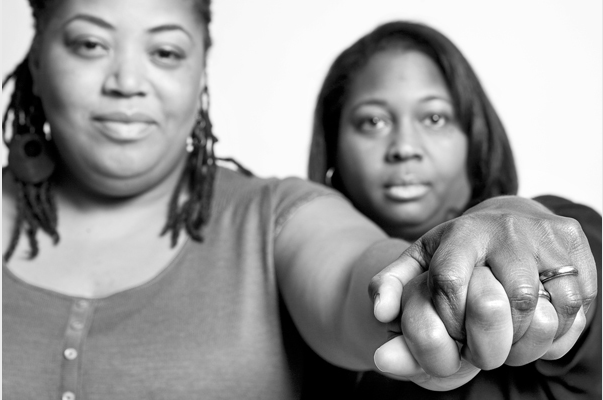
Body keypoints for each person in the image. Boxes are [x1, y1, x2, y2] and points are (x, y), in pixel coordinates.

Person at [1, 1, 596, 398]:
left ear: (200, 71)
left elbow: (357, 278)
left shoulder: (275, 218)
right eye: (88, 44)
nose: (126, 81)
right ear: (37, 58)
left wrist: (502, 227)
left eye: (165, 51)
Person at [307, 21, 601, 399]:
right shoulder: (300, 281)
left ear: (474, 139)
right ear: (333, 149)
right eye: (373, 122)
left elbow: (577, 262)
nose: (404, 147)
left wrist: (512, 223)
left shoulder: (557, 224)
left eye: (434, 118)